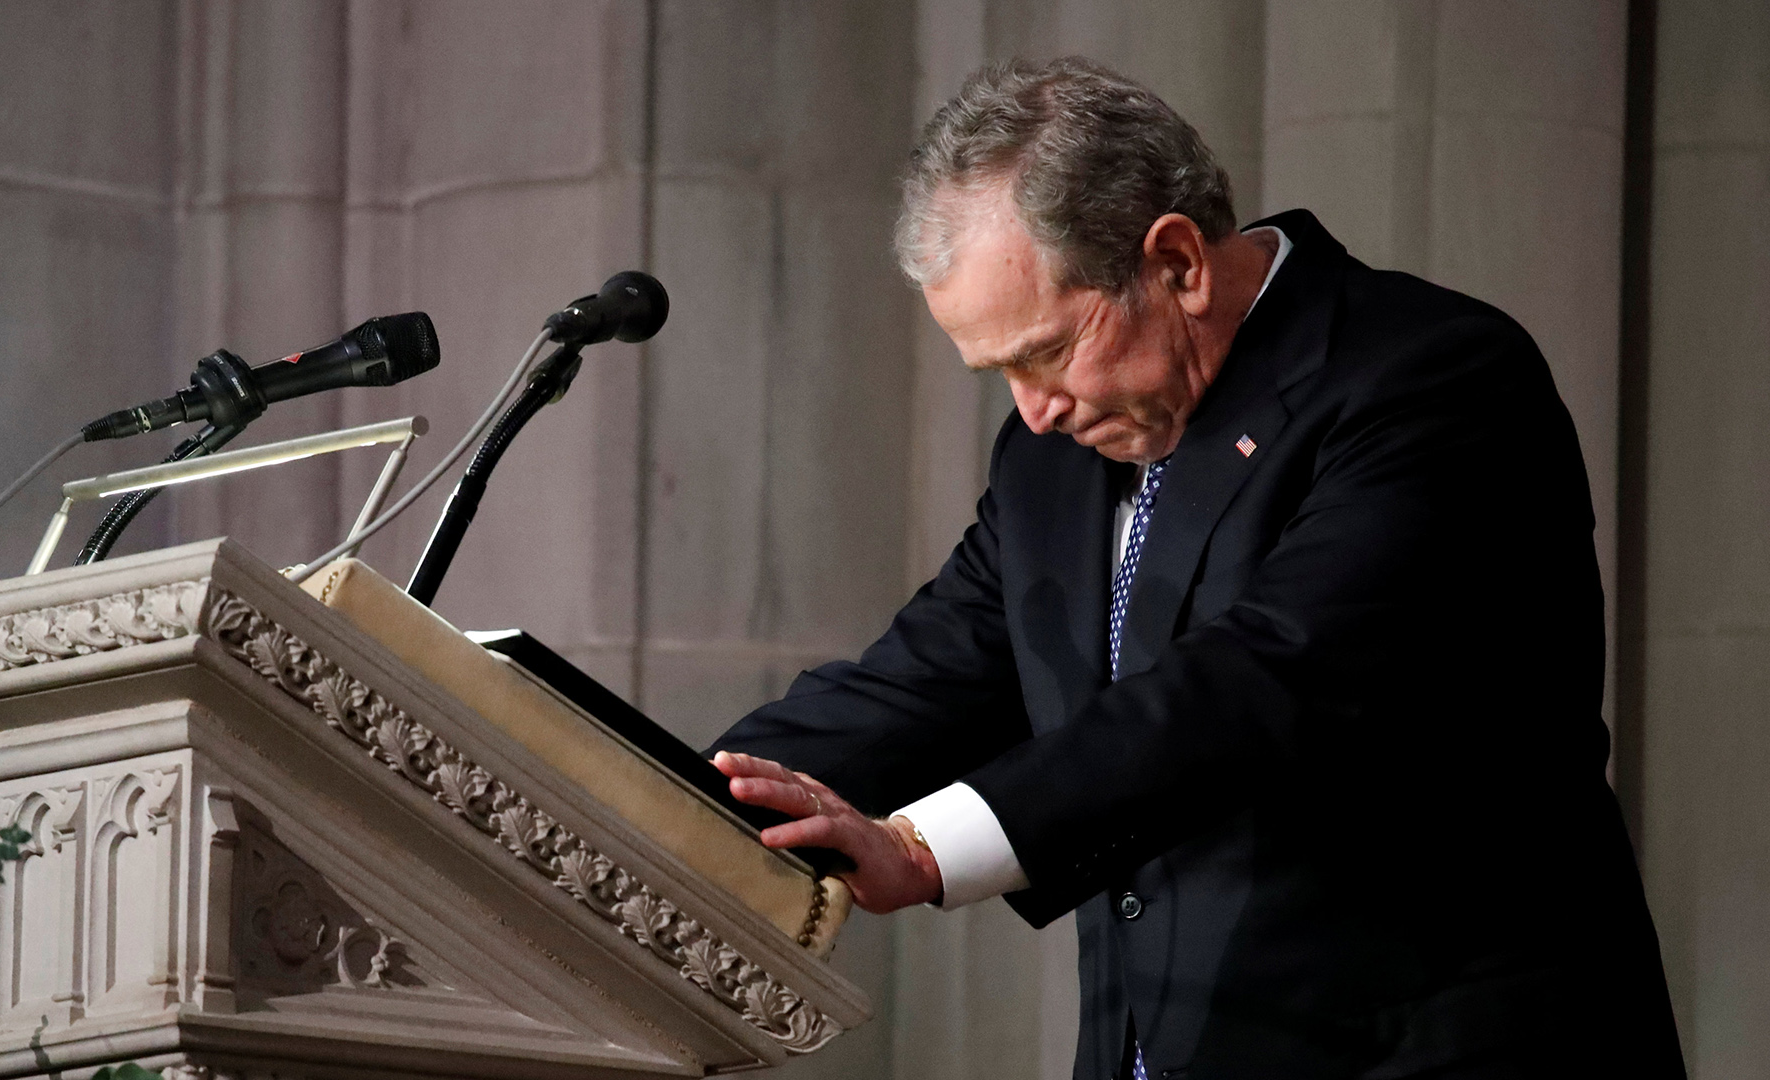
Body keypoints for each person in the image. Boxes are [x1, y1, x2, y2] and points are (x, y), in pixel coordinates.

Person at [707, 58, 1683, 1080]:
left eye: (1045, 353)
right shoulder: (1054, 450)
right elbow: (927, 671)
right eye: (999, 372)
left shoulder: (1430, 377)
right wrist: (670, 802)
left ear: (1176, 262)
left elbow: (1263, 681)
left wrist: (919, 849)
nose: (1031, 409)